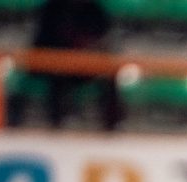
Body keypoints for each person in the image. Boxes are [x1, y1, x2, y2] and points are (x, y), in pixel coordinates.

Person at [29, 0, 123, 130]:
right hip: (54, 66)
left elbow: (103, 42)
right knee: (57, 79)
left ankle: (112, 127)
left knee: (110, 78)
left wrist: (87, 49)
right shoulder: (52, 9)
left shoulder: (94, 10)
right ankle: (55, 126)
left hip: (85, 66)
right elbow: (40, 43)